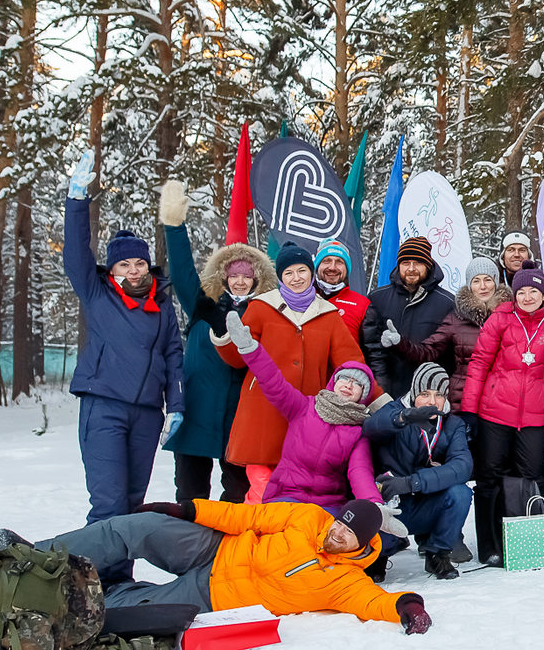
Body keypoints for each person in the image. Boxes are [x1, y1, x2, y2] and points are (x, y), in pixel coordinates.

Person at [1, 500, 430, 633]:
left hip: (213, 597)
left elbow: (375, 602)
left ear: (362, 544)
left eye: (347, 534)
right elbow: (247, 517)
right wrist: (187, 510)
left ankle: (60, 602)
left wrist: (406, 605)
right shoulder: (308, 518)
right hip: (216, 549)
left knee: (131, 611)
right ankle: (36, 557)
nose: (336, 533)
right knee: (137, 527)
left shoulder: (344, 580)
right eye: (339, 523)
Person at [61, 151, 185, 547]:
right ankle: (93, 584)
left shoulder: (162, 304)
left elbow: (172, 355)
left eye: (139, 263)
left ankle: (120, 583)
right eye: (124, 265)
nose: (133, 270)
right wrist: (77, 202)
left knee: (132, 505)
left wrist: (177, 404)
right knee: (108, 503)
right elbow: (76, 253)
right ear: (112, 271)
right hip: (104, 409)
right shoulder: (97, 295)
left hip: (147, 415)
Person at [213, 241, 363, 503]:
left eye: (302, 271)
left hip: (307, 417)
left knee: (294, 489)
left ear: (311, 273)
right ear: (281, 277)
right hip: (262, 410)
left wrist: (381, 401)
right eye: (289, 273)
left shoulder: (328, 315)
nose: (296, 278)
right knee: (261, 488)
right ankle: (254, 539)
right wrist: (223, 335)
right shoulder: (261, 307)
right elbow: (238, 359)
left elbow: (351, 364)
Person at [157, 179, 274, 505]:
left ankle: (226, 552)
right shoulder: (202, 304)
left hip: (241, 419)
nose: (239, 280)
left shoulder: (264, 311)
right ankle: (187, 551)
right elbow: (181, 272)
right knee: (191, 496)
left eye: (246, 275)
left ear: (256, 278)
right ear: (223, 277)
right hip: (197, 411)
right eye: (233, 274)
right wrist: (174, 225)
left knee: (238, 496)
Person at [459, 264, 544, 565]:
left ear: (543, 294)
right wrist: (469, 411)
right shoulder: (501, 319)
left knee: (532, 478)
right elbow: (479, 364)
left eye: (533, 290)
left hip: (535, 418)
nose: (527, 296)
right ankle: (491, 546)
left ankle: (530, 544)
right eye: (521, 291)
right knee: (489, 480)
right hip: (494, 412)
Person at [222, 310, 385, 511]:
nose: (348, 385)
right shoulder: (305, 407)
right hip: (286, 496)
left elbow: (360, 472)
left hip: (327, 504)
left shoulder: (358, 433)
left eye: (357, 383)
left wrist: (374, 505)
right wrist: (250, 349)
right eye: (345, 378)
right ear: (334, 381)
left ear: (363, 395)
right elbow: (273, 381)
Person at [365, 363, 473, 580]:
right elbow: (371, 427)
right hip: (391, 503)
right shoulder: (395, 412)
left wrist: (412, 482)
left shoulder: (452, 424)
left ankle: (437, 554)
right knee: (376, 516)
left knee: (460, 493)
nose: (432, 402)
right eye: (424, 394)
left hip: (424, 501)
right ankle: (379, 555)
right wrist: (404, 418)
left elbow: (462, 466)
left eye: (438, 395)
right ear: (414, 393)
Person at [387, 256, 510, 412]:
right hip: (462, 401)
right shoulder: (457, 318)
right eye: (476, 281)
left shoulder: (511, 316)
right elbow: (429, 350)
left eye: (488, 280)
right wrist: (400, 342)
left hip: (501, 402)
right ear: (470, 285)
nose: (483, 286)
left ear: (496, 283)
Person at [361, 236, 457, 400]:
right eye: (406, 263)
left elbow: (450, 357)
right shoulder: (377, 298)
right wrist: (380, 389)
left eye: (418, 263)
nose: (411, 268)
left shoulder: (448, 302)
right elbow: (370, 349)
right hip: (384, 391)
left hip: (428, 396)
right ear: (398, 265)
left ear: (428, 265)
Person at [313, 240, 370, 343]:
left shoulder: (363, 305)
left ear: (347, 269)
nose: (332, 267)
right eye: (326, 261)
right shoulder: (301, 299)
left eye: (339, 262)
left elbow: (373, 352)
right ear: (317, 266)